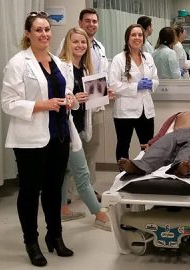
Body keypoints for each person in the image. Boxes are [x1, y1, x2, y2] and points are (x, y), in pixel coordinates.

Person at [1, 12, 75, 267]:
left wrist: (70, 99)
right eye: (39, 30)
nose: (44, 34)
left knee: (55, 190)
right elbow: (7, 103)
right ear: (27, 33)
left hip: (59, 135)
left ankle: (55, 235)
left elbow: (62, 90)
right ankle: (31, 241)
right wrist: (41, 105)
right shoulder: (18, 63)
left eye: (47, 29)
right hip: (31, 139)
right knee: (31, 192)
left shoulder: (56, 61)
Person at [58, 27, 111, 230]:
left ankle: (63, 210)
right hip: (65, 127)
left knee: (67, 171)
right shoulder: (61, 66)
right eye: (75, 42)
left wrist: (105, 95)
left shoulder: (86, 69)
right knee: (82, 173)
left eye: (83, 42)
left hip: (79, 125)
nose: (80, 45)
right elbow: (58, 96)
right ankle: (100, 215)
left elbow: (91, 101)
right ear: (67, 44)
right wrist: (72, 99)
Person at [118, 106, 190, 177]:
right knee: (160, 148)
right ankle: (138, 166)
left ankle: (182, 166)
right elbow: (164, 129)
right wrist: (152, 143)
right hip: (175, 134)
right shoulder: (179, 114)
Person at [109, 24, 159, 161]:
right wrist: (136, 86)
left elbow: (155, 79)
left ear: (143, 38)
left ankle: (145, 174)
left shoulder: (148, 57)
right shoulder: (118, 59)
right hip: (125, 111)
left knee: (148, 145)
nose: (137, 38)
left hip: (146, 110)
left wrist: (151, 84)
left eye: (140, 35)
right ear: (127, 38)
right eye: (133, 35)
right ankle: (123, 178)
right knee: (123, 145)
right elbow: (113, 85)